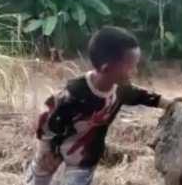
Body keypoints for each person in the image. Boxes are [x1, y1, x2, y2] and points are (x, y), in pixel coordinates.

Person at [25, 26, 173, 185]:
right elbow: (47, 120)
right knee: (39, 178)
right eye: (131, 67)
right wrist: (46, 148)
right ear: (107, 68)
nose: (135, 71)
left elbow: (144, 96)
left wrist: (170, 104)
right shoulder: (73, 93)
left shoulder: (121, 90)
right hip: (54, 149)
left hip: (85, 156)